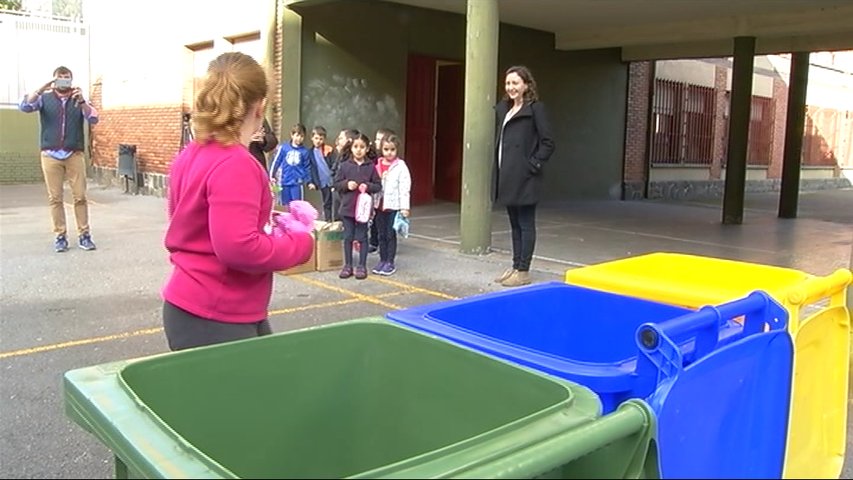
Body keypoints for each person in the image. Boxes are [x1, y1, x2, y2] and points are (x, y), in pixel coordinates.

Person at [160, 52, 314, 351]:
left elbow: (200, 229)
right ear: (261, 107)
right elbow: (239, 248)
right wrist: (301, 244)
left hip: (198, 306)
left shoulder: (192, 153)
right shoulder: (236, 164)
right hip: (217, 312)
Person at [19, 66, 98, 253]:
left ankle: (84, 235)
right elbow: (24, 107)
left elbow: (94, 119)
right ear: (54, 80)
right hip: (50, 155)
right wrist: (41, 88)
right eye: (60, 78)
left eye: (67, 77)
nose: (64, 80)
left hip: (74, 154)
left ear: (71, 80)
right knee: (55, 198)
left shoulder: (78, 99)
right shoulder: (44, 98)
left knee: (79, 196)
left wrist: (83, 101)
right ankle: (60, 236)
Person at [492, 65, 555, 287]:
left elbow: (548, 142)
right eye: (508, 83)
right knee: (514, 224)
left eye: (515, 83)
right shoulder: (505, 109)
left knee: (526, 223)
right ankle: (516, 265)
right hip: (507, 176)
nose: (511, 87)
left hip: (525, 177)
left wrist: (533, 165)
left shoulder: (535, 109)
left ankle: (524, 269)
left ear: (526, 85)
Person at [333, 132, 381, 280]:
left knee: (362, 237)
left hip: (363, 210)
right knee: (347, 237)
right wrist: (347, 184)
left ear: (367, 149)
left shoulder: (371, 167)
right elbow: (336, 183)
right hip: (347, 208)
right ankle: (348, 265)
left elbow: (378, 185)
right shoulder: (344, 166)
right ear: (351, 148)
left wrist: (367, 186)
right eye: (356, 146)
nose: (358, 150)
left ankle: (361, 265)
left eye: (362, 147)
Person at [371, 134, 411, 276]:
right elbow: (373, 184)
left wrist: (404, 207)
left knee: (390, 234)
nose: (389, 152)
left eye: (392, 149)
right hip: (379, 205)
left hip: (393, 206)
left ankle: (390, 261)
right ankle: (382, 260)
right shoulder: (377, 165)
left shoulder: (401, 167)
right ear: (381, 149)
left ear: (397, 150)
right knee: (381, 234)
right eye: (386, 149)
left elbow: (404, 187)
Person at [270, 123, 312, 206]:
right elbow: (276, 162)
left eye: (302, 136)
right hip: (284, 182)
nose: (299, 138)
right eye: (297, 135)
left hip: (297, 184)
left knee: (298, 206)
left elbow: (307, 167)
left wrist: (308, 181)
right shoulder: (284, 148)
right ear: (292, 135)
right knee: (285, 206)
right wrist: (271, 175)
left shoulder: (305, 152)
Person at [368, 127, 395, 253]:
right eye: (376, 139)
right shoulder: (376, 160)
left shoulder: (397, 165)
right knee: (377, 224)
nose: (376, 142)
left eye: (379, 139)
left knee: (389, 230)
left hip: (390, 201)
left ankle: (388, 253)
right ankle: (376, 243)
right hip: (378, 199)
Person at [307, 125, 336, 221]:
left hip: (332, 180)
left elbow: (334, 164)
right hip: (322, 181)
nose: (318, 141)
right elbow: (310, 168)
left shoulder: (328, 149)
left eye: (321, 138)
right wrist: (310, 181)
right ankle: (328, 220)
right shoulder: (310, 153)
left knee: (336, 202)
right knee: (326, 202)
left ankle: (336, 220)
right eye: (316, 138)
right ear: (312, 138)